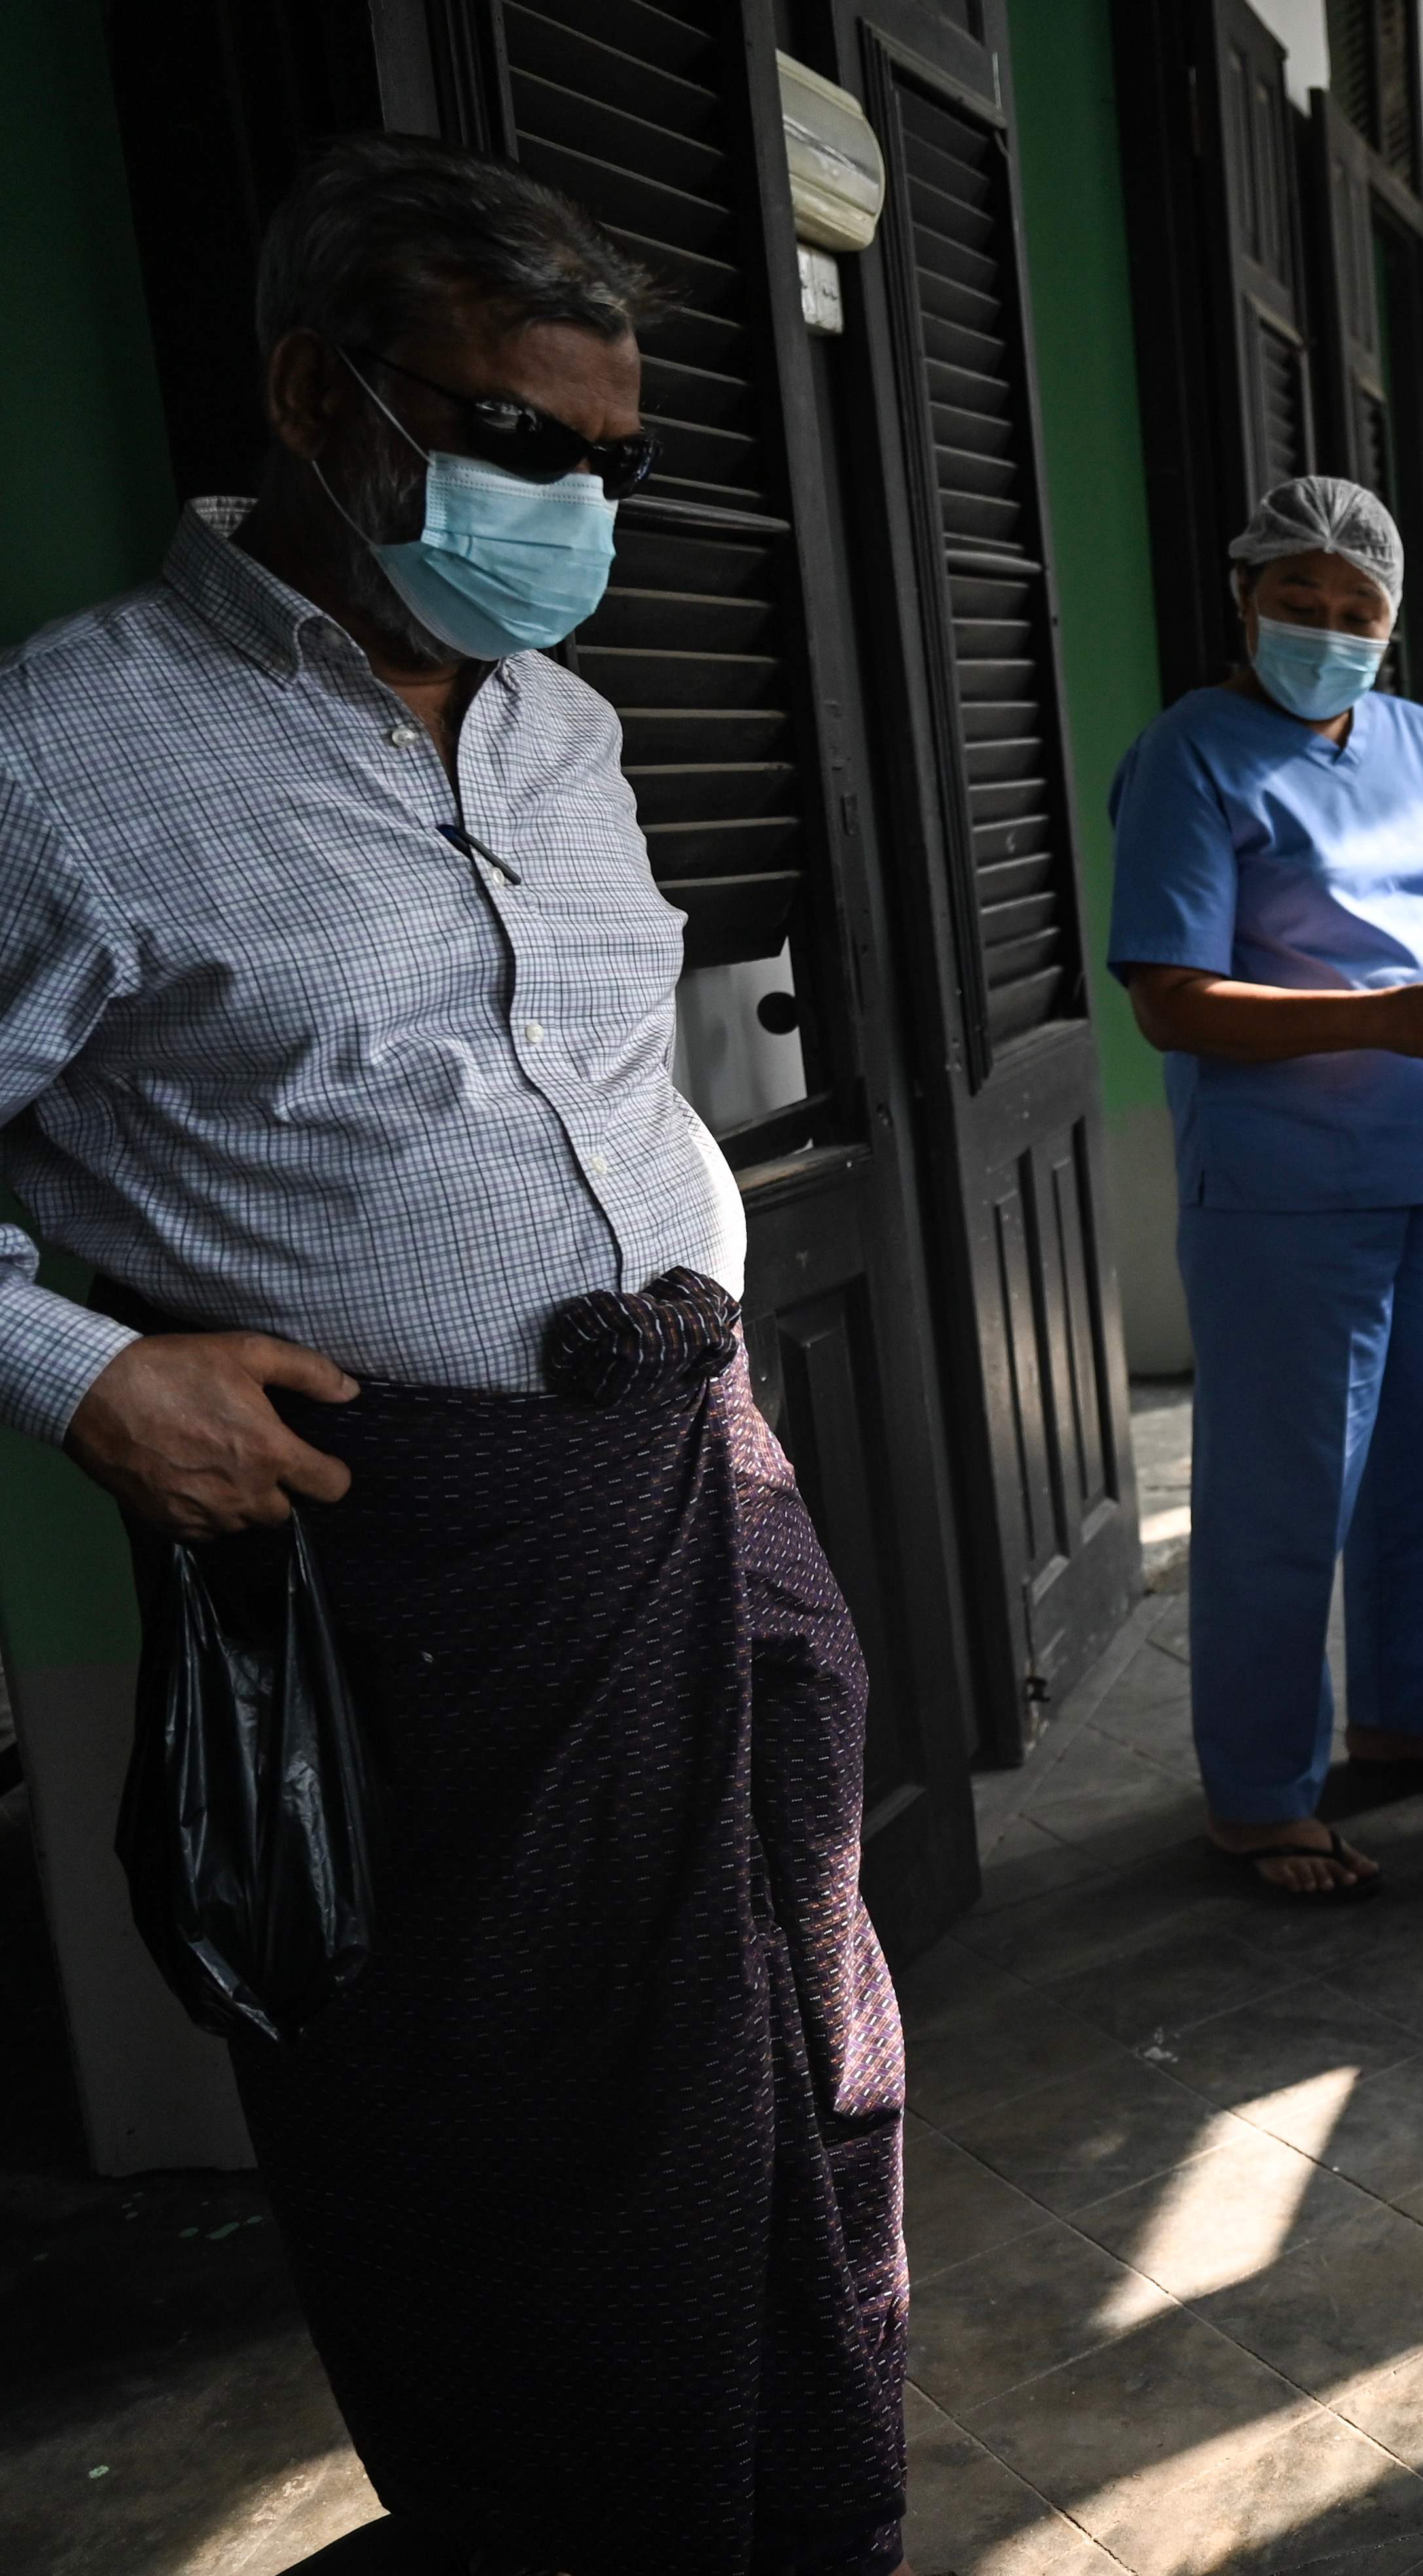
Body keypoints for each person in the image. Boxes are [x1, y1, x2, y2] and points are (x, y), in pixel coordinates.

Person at [0, 138, 909, 2575]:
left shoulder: (562, 729)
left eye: (611, 462)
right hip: (420, 1553)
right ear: (320, 396)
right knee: (525, 2129)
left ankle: (801, 2501)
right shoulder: (68, 753)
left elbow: (599, 1093)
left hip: (695, 1463)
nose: (575, 503)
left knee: (798, 2025)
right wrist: (83, 1368)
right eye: (522, 440)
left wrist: (701, 1340)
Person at [1108, 475, 1423, 1907]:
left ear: (1392, 625)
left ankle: (1410, 1715)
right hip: (1284, 1193)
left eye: (1356, 612)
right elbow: (1169, 1001)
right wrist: (1371, 1021)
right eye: (1297, 603)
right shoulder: (1191, 756)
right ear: (1242, 599)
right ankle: (1258, 1793)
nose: (1325, 630)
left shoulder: (1420, 740)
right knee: (1284, 1497)